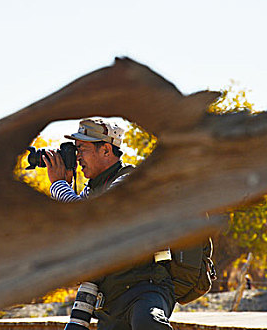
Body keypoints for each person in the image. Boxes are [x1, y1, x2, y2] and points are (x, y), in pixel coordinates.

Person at [43, 118, 175, 330]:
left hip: (145, 290)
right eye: (76, 150)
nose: (77, 157)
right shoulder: (91, 190)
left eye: (82, 149)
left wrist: (58, 185)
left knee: (148, 323)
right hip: (111, 300)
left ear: (105, 150)